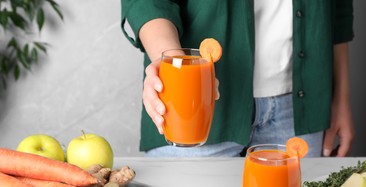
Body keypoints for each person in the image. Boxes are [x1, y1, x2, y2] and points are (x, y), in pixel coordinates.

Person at [120, 0, 354, 157]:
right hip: (197, 105)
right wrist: (174, 67)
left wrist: (340, 98)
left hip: (301, 106)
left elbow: (338, 12)